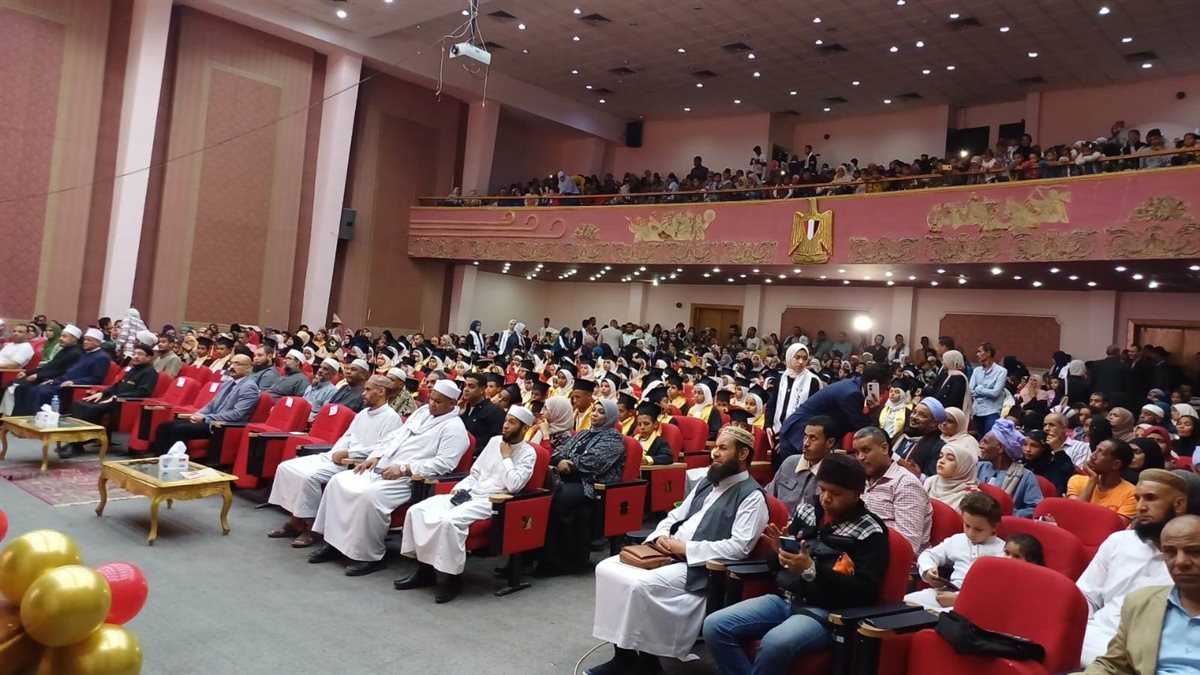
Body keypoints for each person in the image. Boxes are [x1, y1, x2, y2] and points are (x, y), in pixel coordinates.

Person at [588, 427, 768, 674]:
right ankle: (624, 656)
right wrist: (660, 536)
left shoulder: (752, 496)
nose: (714, 453)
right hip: (668, 552)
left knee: (641, 586)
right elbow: (675, 515)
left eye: (722, 448)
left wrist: (686, 549)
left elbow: (739, 547)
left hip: (699, 566)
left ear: (743, 454)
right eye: (715, 447)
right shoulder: (707, 482)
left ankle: (648, 664)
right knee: (607, 567)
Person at [701, 454, 888, 675]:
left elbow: (865, 591)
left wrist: (812, 570)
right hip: (786, 598)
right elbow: (776, 567)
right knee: (715, 626)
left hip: (826, 612)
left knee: (773, 643)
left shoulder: (870, 531)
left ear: (856, 494)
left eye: (836, 493)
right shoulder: (809, 512)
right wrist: (778, 553)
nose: (826, 498)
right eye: (822, 489)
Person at [308, 379, 470, 576]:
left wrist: (403, 469)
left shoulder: (454, 428)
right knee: (338, 482)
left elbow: (444, 464)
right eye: (431, 399)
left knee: (369, 495)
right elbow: (395, 436)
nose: (432, 404)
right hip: (383, 466)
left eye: (438, 402)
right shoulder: (422, 412)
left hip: (409, 479)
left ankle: (370, 556)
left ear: (452, 403)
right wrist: (375, 456)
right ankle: (334, 544)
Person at [397, 406, 538, 603]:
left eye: (512, 422)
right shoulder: (494, 441)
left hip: (493, 500)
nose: (505, 425)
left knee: (449, 521)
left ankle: (452, 579)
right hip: (470, 493)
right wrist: (461, 488)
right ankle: (424, 571)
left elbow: (514, 485)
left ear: (524, 429)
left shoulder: (529, 453)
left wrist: (506, 457)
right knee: (417, 510)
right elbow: (476, 473)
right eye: (506, 420)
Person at [267, 375, 403, 547]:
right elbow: (347, 436)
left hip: (356, 463)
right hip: (338, 456)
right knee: (286, 467)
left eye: (368, 390)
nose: (363, 393)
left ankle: (312, 527)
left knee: (310, 477)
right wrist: (337, 452)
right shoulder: (362, 413)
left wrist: (349, 453)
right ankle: (296, 521)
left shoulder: (391, 418)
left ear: (381, 391)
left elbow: (382, 449)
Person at [1077, 469, 1189, 666]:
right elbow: (1086, 596)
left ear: (1179, 505)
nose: (1140, 507)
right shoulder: (1119, 541)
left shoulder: (1190, 559)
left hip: (1150, 654)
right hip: (1091, 637)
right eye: (1137, 499)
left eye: (1150, 498)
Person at [1080, 514, 1200, 675]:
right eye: (1170, 552)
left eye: (1195, 552)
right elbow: (1112, 666)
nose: (1180, 562)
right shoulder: (1141, 603)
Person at [537, 399, 626, 576]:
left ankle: (557, 561)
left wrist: (568, 463)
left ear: (610, 417)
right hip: (567, 479)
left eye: (601, 412)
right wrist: (561, 461)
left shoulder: (614, 440)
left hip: (591, 486)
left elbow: (592, 464)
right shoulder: (583, 434)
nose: (595, 414)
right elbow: (558, 452)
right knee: (540, 495)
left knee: (558, 498)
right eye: (594, 410)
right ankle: (534, 556)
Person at [905, 492, 1006, 611]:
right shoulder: (957, 540)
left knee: (944, 617)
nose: (971, 533)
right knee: (907, 602)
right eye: (967, 525)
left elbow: (996, 591)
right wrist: (928, 570)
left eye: (978, 529)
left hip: (976, 602)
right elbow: (929, 555)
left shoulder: (1003, 551)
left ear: (995, 527)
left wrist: (959, 599)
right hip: (947, 592)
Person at [150, 354, 259, 455]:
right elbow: (212, 405)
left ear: (248, 368)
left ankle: (176, 462)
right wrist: (198, 414)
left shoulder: (249, 387)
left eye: (238, 364)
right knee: (164, 426)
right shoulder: (228, 383)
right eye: (231, 363)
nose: (232, 367)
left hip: (222, 426)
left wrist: (205, 418)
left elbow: (237, 414)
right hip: (210, 420)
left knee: (179, 429)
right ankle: (160, 459)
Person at [778, 363, 889, 461]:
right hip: (799, 434)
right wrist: (875, 411)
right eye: (884, 388)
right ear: (874, 383)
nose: (884, 392)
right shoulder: (852, 394)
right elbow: (864, 429)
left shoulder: (854, 386)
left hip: (807, 434)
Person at [850, 426, 932, 555]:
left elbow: (908, 545)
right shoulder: (860, 478)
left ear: (884, 448)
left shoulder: (906, 484)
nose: (860, 457)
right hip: (861, 549)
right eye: (856, 452)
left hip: (894, 559)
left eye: (866, 450)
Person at [12, 327, 111, 415]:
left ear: (98, 342)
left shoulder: (101, 357)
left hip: (72, 387)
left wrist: (74, 382)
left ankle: (39, 421)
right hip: (61, 382)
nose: (85, 342)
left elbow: (96, 378)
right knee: (34, 389)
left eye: (89, 340)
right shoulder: (87, 353)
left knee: (42, 392)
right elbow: (70, 371)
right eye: (85, 339)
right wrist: (54, 380)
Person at [1, 324, 81, 417]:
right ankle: (15, 417)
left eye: (64, 336)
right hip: (45, 377)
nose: (60, 339)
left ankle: (28, 418)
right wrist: (28, 372)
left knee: (30, 389)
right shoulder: (65, 350)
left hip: (55, 380)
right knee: (18, 386)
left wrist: (39, 375)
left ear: (74, 339)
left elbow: (62, 371)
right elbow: (50, 366)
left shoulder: (76, 353)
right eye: (60, 336)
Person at [766, 415, 838, 514]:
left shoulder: (835, 473)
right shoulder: (790, 463)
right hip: (778, 520)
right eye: (805, 436)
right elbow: (767, 497)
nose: (805, 443)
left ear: (830, 442)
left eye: (813, 438)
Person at [976, 419, 1043, 517]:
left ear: (1000, 448)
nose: (980, 445)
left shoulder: (1025, 476)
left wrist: (1007, 514)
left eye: (985, 442)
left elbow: (1036, 508)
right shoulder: (978, 467)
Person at [1067, 439, 1138, 523]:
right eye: (1095, 450)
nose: (1092, 456)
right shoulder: (1077, 480)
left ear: (1115, 464)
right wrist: (1092, 480)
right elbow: (1073, 515)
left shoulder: (1132, 493)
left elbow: (1115, 526)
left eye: (1100, 452)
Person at [894, 397, 947, 479]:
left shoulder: (939, 447)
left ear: (934, 423)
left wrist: (919, 476)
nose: (914, 417)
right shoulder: (904, 436)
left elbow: (934, 479)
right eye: (914, 412)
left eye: (922, 415)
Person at [925, 439, 980, 512]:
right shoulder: (930, 482)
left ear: (963, 467)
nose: (941, 461)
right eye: (940, 456)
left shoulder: (970, 496)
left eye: (950, 459)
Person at [968, 342, 1006, 437]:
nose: (977, 354)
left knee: (990, 438)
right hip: (977, 410)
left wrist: (979, 389)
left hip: (992, 411)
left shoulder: (1001, 371)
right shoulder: (977, 370)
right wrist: (986, 391)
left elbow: (995, 393)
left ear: (988, 353)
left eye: (979, 351)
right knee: (979, 438)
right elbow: (970, 390)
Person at [458, 372, 505, 448]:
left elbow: (496, 442)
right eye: (465, 386)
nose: (466, 389)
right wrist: (457, 413)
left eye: (471, 386)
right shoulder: (464, 408)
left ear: (482, 390)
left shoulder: (495, 412)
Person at [1023, 429, 1076, 496]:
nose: (1028, 449)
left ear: (1044, 448)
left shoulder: (1053, 466)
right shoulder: (1021, 463)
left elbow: (1068, 472)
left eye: (1034, 446)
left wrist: (1058, 449)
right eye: (1024, 444)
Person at [633, 402, 674, 466]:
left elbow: (668, 457)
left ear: (655, 424)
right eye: (639, 424)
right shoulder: (633, 438)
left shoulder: (660, 442)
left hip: (647, 471)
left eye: (646, 424)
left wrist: (648, 460)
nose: (642, 427)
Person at [933, 350, 971, 416]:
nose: (943, 362)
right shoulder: (946, 374)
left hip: (949, 413)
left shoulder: (959, 378)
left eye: (945, 360)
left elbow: (954, 399)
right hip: (939, 410)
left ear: (951, 361)